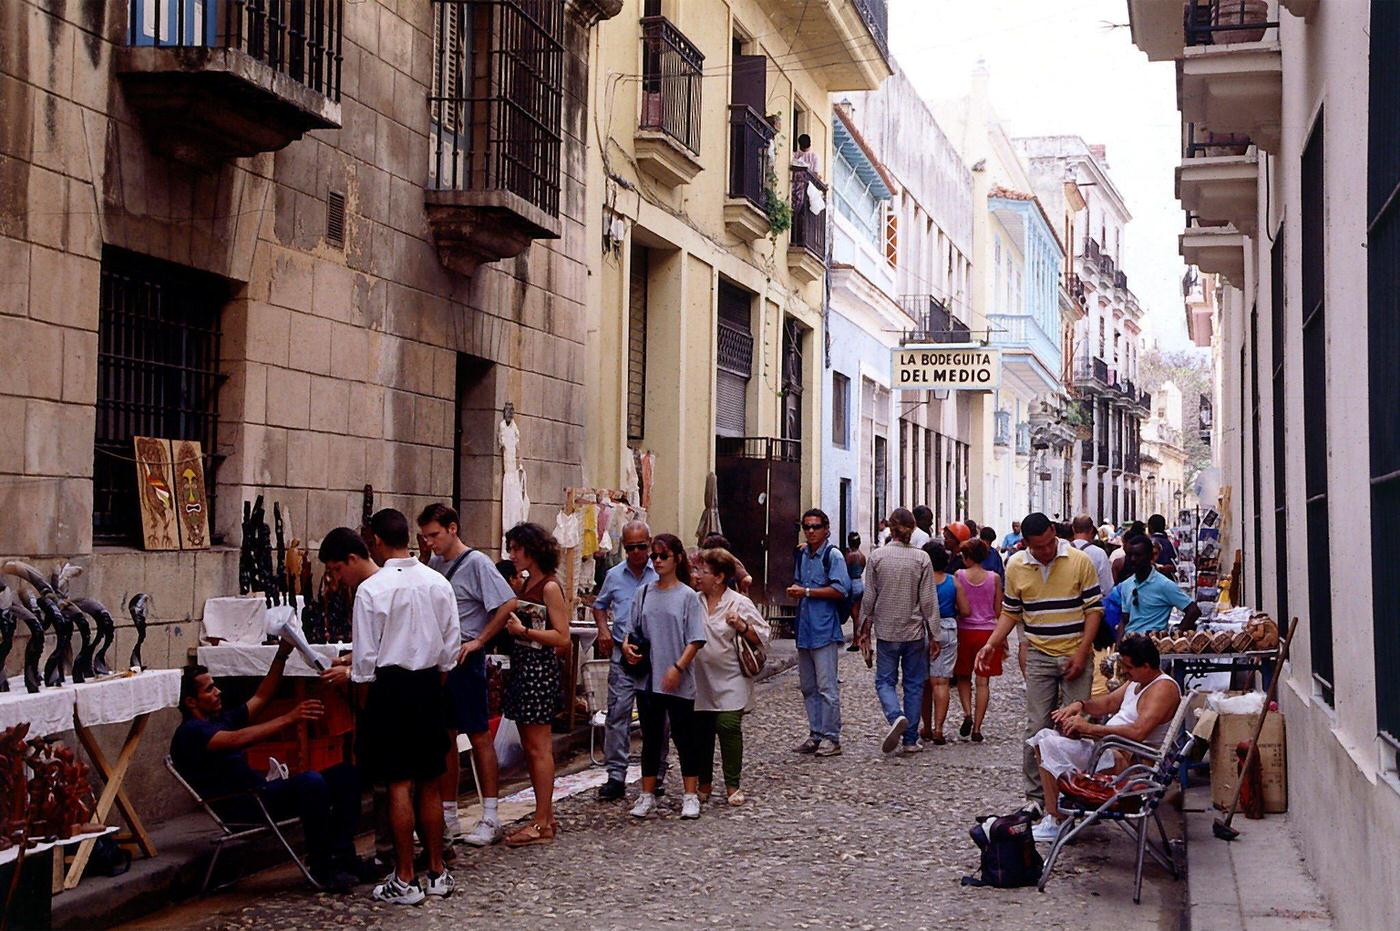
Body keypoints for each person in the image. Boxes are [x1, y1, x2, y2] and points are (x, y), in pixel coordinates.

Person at [319, 515, 458, 905]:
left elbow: (364, 663)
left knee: (399, 783)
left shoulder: (372, 589)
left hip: (391, 687)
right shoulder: (438, 582)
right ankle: (436, 869)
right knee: (430, 780)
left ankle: (405, 874)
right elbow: (450, 649)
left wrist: (363, 697)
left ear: (376, 540)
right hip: (430, 683)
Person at [172, 653, 362, 892]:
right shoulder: (190, 733)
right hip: (245, 804)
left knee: (346, 775)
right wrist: (290, 717)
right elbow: (237, 739)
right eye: (209, 689)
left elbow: (262, 696)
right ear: (191, 702)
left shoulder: (218, 720)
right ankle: (322, 867)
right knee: (311, 783)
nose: (218, 692)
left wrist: (282, 655)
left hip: (261, 792)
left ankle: (344, 857)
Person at [975, 512, 1104, 807]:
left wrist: (1082, 653)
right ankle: (1036, 798)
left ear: (1054, 534)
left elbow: (1094, 610)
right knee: (1036, 728)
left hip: (1075, 652)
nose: (1045, 551)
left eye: (1049, 543)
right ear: (1026, 544)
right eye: (1039, 547)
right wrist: (991, 644)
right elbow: (1011, 611)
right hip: (1039, 655)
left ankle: (1075, 795)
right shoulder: (1016, 566)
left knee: (1075, 726)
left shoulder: (1078, 561)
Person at [416, 503, 517, 848]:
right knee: (444, 737)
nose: (430, 542)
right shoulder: (433, 563)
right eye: (426, 536)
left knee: (477, 734)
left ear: (452, 528)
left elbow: (507, 603)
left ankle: (490, 813)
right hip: (440, 658)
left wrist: (480, 641)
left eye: (435, 535)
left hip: (465, 655)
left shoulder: (476, 563)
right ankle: (448, 813)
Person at [1027, 634, 1181, 840]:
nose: (1125, 671)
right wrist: (1079, 706)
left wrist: (1090, 729)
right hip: (1109, 748)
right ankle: (1058, 815)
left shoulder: (1163, 689)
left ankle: (1056, 818)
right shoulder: (1138, 681)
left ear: (1146, 666)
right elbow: (1107, 704)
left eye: (1129, 667)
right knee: (1043, 739)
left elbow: (1138, 732)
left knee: (1047, 743)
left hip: (1127, 762)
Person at [622, 533, 709, 819]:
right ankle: (646, 794)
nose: (657, 561)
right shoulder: (644, 593)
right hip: (648, 678)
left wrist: (678, 667)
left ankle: (690, 794)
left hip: (677, 678)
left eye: (663, 556)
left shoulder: (687, 597)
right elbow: (631, 630)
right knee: (651, 738)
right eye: (654, 556)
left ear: (677, 558)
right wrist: (627, 648)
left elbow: (695, 639)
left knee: (685, 737)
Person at [500, 521, 572, 845]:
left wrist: (524, 632)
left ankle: (542, 821)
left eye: (516, 549)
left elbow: (562, 636)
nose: (512, 555)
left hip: (537, 669)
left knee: (539, 746)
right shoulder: (531, 584)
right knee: (532, 747)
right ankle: (545, 816)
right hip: (525, 667)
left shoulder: (549, 587)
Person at [592, 521, 667, 802]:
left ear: (649, 544)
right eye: (631, 547)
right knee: (617, 715)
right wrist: (603, 630)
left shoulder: (660, 573)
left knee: (656, 719)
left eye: (641, 547)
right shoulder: (614, 576)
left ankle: (656, 773)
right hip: (621, 656)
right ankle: (616, 775)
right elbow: (599, 606)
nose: (636, 552)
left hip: (654, 656)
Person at [691, 547, 769, 805]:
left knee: (728, 726)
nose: (697, 575)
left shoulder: (738, 602)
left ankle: (732, 785)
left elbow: (763, 637)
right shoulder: (694, 601)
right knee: (701, 733)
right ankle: (704, 783)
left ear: (719, 577)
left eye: (703, 571)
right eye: (697, 570)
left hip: (731, 677)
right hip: (699, 679)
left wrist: (742, 626)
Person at [859, 508, 936, 755]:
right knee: (914, 685)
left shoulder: (877, 557)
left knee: (884, 681)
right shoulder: (921, 559)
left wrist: (863, 628)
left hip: (886, 631)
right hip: (914, 633)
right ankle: (911, 739)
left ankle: (895, 715)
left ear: (890, 528)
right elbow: (928, 601)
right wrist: (935, 634)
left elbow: (869, 597)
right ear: (912, 530)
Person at [787, 508, 850, 757]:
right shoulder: (804, 555)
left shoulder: (833, 556)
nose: (811, 531)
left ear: (826, 529)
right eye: (807, 527)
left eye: (815, 527)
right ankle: (815, 733)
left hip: (824, 628)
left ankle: (831, 737)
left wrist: (807, 592)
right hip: (805, 628)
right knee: (808, 686)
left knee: (827, 687)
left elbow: (840, 589)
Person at [953, 537, 1003, 742]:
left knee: (963, 677)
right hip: (988, 633)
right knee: (983, 683)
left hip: (965, 631)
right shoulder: (994, 578)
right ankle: (978, 728)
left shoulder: (959, 575)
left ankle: (967, 714)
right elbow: (999, 609)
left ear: (967, 557)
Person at [1115, 533, 1200, 636]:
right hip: (1130, 643)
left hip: (1150, 645)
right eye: (1130, 555)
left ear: (1150, 556)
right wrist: (1118, 647)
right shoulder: (1126, 585)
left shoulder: (1164, 585)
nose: (1133, 559)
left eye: (1138, 555)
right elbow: (1124, 620)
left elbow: (1193, 611)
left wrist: (1175, 635)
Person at [917, 542, 960, 744]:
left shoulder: (919, 581)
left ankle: (925, 726)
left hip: (921, 629)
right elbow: (966, 609)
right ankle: (939, 728)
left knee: (924, 683)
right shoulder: (953, 582)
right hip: (947, 629)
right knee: (941, 681)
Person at [844, 532, 867, 652]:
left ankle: (855, 640)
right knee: (857, 614)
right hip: (859, 582)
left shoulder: (850, 556)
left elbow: (844, 569)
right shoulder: (862, 556)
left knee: (853, 614)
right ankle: (858, 638)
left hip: (852, 583)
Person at [1147, 514, 1179, 578]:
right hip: (1168, 578)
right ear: (1164, 527)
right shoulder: (1171, 542)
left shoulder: (1147, 542)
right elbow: (1176, 561)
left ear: (1150, 527)